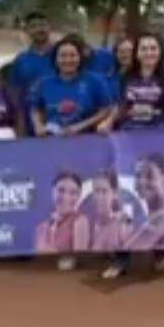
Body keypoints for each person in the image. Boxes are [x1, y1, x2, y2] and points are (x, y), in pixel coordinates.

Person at [100, 33, 164, 279]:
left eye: (153, 48)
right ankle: (121, 258)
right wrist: (109, 121)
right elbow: (121, 107)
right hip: (128, 143)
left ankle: (161, 252)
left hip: (160, 144)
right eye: (144, 48)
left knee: (159, 198)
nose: (148, 52)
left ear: (160, 52)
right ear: (137, 53)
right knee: (124, 199)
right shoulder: (127, 78)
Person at [31, 35, 114, 271]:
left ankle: (104, 244)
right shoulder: (44, 83)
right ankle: (67, 251)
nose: (68, 59)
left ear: (80, 58)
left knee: (94, 194)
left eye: (72, 55)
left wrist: (80, 126)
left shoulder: (94, 80)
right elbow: (35, 108)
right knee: (65, 196)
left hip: (88, 144)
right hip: (55, 146)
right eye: (63, 55)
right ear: (55, 59)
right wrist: (38, 125)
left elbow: (107, 109)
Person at [8, 11, 56, 112]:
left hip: (60, 115)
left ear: (49, 27)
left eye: (42, 25)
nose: (39, 29)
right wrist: (19, 117)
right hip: (29, 116)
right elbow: (15, 92)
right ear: (27, 30)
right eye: (33, 26)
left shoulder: (64, 56)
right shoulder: (21, 60)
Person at [34, 172, 91, 256]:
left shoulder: (80, 221)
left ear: (78, 196)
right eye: (61, 190)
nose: (66, 197)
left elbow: (80, 260)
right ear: (53, 191)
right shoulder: (41, 228)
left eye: (73, 193)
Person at [87, 168, 131, 252]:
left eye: (104, 191)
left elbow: (128, 256)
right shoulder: (90, 224)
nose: (100, 197)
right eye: (96, 191)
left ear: (114, 193)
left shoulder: (124, 219)